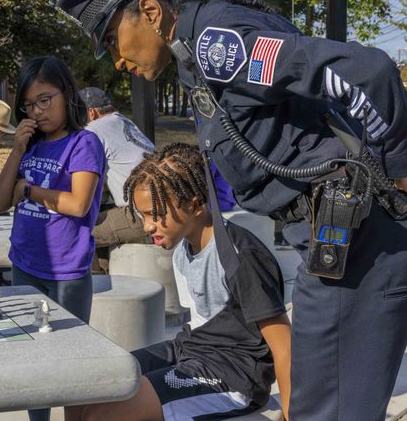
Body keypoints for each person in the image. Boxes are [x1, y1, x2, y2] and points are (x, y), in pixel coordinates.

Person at [57, 0, 407, 420]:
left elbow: (367, 71)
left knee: (329, 410)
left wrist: (398, 173)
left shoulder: (216, 41)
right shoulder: (193, 57)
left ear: (151, 11)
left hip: (361, 242)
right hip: (329, 242)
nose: (116, 60)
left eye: (112, 38)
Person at [66, 143, 291, 421]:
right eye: (143, 216)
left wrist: (290, 416)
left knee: (105, 414)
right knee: (84, 384)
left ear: (195, 205)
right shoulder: (183, 248)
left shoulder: (239, 257)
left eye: (156, 214)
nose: (148, 226)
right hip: (188, 350)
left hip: (233, 376)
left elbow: (284, 346)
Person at [0, 56, 106, 421]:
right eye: (28, 105)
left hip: (67, 271)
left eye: (45, 99)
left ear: (67, 94)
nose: (37, 111)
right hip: (25, 263)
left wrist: (30, 190)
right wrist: (18, 151)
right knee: (34, 358)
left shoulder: (83, 143)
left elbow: (76, 204)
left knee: (71, 359)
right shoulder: (33, 145)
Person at [78, 87, 154, 267]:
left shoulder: (93, 129)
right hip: (158, 206)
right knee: (99, 222)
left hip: (141, 213)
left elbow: (89, 180)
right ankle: (104, 274)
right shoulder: (125, 123)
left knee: (77, 233)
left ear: (91, 112)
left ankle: (96, 288)